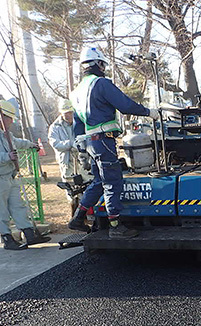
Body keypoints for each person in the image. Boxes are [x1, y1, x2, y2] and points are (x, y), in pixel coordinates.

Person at [68, 46, 159, 239]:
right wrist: (148, 112)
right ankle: (116, 226)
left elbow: (77, 125)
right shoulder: (101, 84)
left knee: (99, 181)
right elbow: (125, 105)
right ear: (98, 64)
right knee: (112, 182)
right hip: (104, 141)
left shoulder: (76, 91)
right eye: (103, 64)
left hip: (91, 143)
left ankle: (78, 217)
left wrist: (81, 148)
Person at [0, 100, 51, 250]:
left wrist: (31, 144)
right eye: (10, 118)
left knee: (18, 206)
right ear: (1, 117)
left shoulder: (4, 133)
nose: (12, 122)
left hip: (8, 175)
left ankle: (29, 234)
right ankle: (7, 239)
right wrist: (7, 157)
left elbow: (15, 142)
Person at [48, 98, 92, 214]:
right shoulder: (55, 127)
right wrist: (70, 144)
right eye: (66, 113)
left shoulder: (81, 123)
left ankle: (86, 214)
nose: (68, 116)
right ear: (60, 113)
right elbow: (55, 143)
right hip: (67, 162)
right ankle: (74, 213)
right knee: (71, 188)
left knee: (86, 185)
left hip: (82, 160)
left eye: (70, 113)